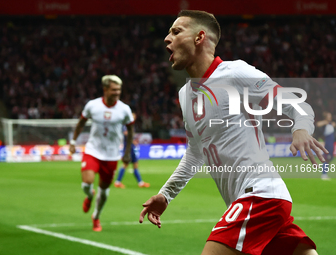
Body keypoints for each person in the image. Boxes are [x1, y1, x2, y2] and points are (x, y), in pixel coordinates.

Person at [139, 10, 328, 255]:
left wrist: (301, 128)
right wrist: (165, 195)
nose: (166, 38)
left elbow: (296, 104)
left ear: (199, 37)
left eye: (176, 31)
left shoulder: (234, 73)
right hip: (256, 201)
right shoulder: (185, 95)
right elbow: (196, 153)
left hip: (260, 195)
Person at [70, 75, 134, 231]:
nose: (117, 92)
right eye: (114, 90)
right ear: (105, 89)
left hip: (111, 155)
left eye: (119, 89)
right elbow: (81, 123)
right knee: (87, 183)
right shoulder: (92, 106)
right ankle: (89, 196)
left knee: (104, 192)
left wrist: (127, 153)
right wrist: (73, 142)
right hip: (93, 150)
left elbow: (131, 130)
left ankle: (96, 217)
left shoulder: (124, 109)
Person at [114, 113, 150, 188]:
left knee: (135, 164)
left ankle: (140, 182)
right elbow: (126, 133)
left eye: (134, 117)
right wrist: (133, 141)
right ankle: (117, 182)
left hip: (131, 147)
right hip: (128, 148)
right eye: (133, 117)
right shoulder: (126, 125)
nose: (134, 118)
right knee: (125, 164)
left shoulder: (131, 125)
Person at [316, 111, 335, 180]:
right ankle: (324, 174)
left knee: (330, 158)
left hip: (331, 143)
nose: (330, 118)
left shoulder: (331, 123)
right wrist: (325, 121)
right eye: (328, 116)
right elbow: (318, 124)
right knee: (327, 158)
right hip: (328, 144)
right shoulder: (324, 124)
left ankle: (325, 174)